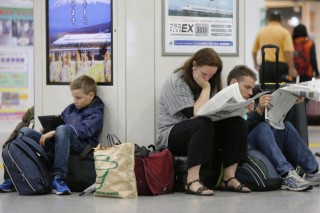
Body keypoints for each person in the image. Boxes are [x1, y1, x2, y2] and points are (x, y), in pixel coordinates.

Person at [156, 48, 250, 196]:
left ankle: (229, 177)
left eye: (211, 76)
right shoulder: (176, 81)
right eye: (204, 74)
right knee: (202, 123)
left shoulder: (210, 81)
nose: (207, 79)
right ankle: (191, 180)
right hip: (170, 134)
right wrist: (206, 88)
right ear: (194, 65)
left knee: (238, 123)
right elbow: (194, 114)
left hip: (200, 130)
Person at [0, 75, 105, 195]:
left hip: (81, 146)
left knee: (63, 129)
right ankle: (13, 177)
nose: (75, 101)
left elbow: (83, 130)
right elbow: (59, 122)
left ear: (91, 95)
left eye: (78, 98)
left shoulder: (96, 113)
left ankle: (58, 178)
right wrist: (47, 130)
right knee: (25, 132)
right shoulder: (71, 108)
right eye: (73, 97)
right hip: (61, 139)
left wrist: (55, 131)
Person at [227, 65, 320, 192]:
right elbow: (239, 132)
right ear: (233, 83)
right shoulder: (227, 102)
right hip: (242, 146)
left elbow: (273, 122)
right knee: (262, 127)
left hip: (260, 142)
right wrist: (257, 112)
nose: (250, 92)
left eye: (251, 88)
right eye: (247, 87)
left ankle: (313, 170)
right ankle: (287, 174)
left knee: (285, 126)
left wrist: (289, 103)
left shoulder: (249, 100)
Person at [252, 10, 297, 83]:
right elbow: (288, 52)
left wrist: (256, 64)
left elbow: (254, 51)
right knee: (280, 90)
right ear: (281, 20)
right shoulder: (285, 33)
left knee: (265, 90)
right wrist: (291, 68)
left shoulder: (261, 32)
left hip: (265, 66)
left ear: (269, 19)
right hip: (280, 67)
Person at [0, 106, 34, 192]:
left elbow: (25, 117)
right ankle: (10, 180)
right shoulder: (23, 123)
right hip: (21, 136)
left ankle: (10, 180)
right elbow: (25, 117)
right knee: (9, 148)